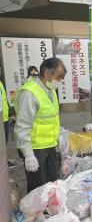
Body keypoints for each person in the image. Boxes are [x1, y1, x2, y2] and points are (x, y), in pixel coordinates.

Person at [14, 58, 66, 193]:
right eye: (58, 77)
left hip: (49, 145)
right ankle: (37, 212)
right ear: (47, 73)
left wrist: (59, 135)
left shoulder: (50, 89)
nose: (59, 81)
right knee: (38, 186)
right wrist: (28, 154)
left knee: (51, 182)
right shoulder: (30, 93)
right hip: (35, 149)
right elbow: (22, 127)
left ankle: (50, 210)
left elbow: (52, 117)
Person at [0, 76, 17, 169]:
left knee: (4, 142)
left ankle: (3, 161)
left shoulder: (0, 83)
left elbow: (5, 99)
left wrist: (11, 114)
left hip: (4, 119)